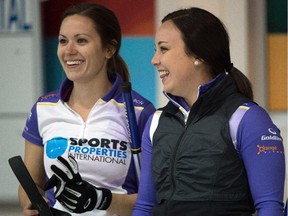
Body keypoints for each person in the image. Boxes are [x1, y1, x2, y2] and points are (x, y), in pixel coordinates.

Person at [132, 7, 285, 216]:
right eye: (155, 50)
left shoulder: (247, 118)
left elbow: (270, 207)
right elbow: (145, 206)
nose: (154, 60)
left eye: (164, 49)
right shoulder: (157, 121)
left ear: (198, 55)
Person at [19, 3, 155, 216]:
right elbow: (32, 183)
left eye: (81, 40)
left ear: (109, 49)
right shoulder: (43, 108)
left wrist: (101, 200)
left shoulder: (139, 111)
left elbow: (152, 200)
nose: (69, 50)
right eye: (63, 41)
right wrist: (33, 204)